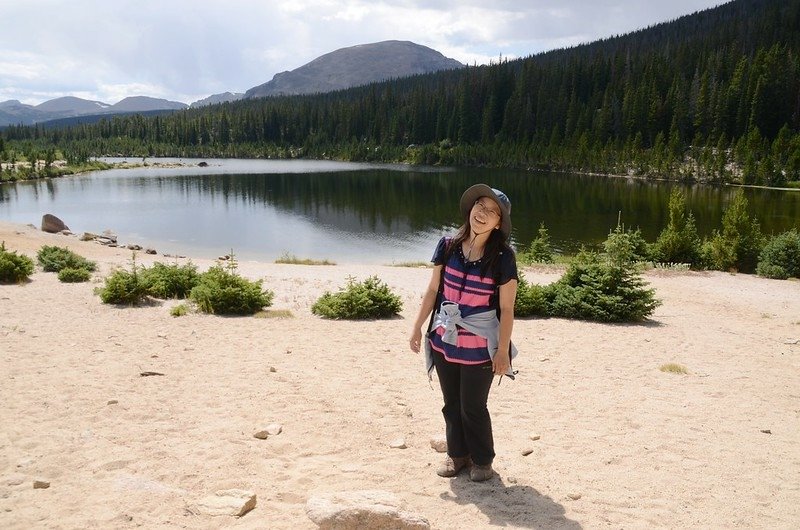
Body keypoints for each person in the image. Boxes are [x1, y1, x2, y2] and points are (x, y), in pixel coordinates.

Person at [409, 183, 518, 482]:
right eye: (479, 206)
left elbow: (507, 309)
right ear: (471, 209)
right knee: (451, 403)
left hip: (480, 344)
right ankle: (457, 455)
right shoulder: (447, 246)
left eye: (491, 212)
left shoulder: (503, 258)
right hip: (445, 338)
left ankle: (482, 461)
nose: (482, 214)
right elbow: (433, 289)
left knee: (473, 406)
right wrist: (418, 326)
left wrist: (502, 350)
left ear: (499, 223)